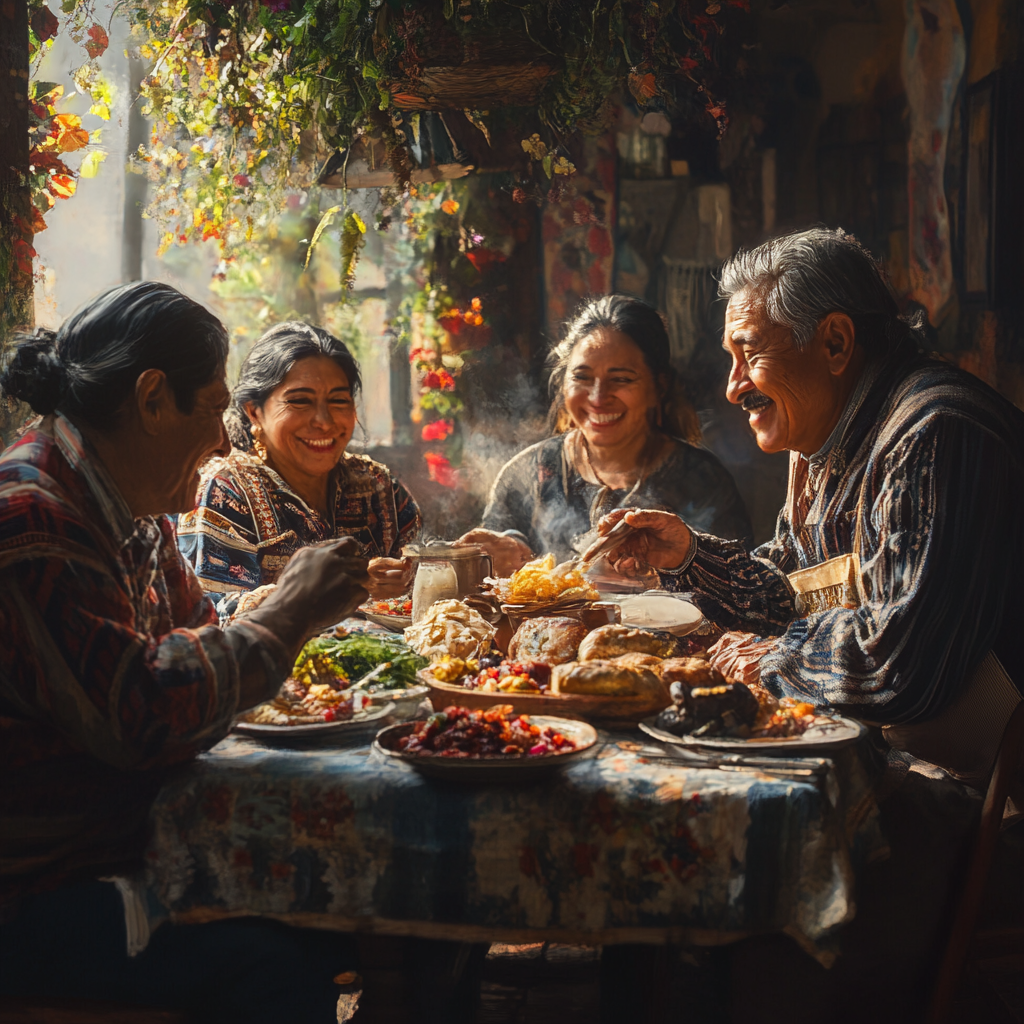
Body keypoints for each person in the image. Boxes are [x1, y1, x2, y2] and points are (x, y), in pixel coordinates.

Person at [585, 227, 1024, 1020]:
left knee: (737, 863)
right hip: (900, 761)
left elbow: (902, 666)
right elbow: (787, 591)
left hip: (989, 801)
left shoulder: (935, 432)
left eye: (748, 354)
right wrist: (688, 556)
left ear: (835, 340)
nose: (731, 387)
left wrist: (770, 660)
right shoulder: (825, 446)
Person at [0, 282, 369, 1022]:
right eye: (213, 408)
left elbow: (200, 640)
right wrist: (292, 607)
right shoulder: (30, 521)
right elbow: (142, 711)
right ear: (151, 398)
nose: (227, 440)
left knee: (357, 914)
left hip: (132, 852)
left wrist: (279, 632)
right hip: (38, 895)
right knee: (278, 964)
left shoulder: (135, 508)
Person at [458, 294, 751, 575]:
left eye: (621, 379)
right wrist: (508, 557)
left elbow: (742, 591)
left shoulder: (704, 484)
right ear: (562, 383)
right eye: (582, 378)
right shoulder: (526, 476)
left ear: (658, 387)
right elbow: (491, 587)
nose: (598, 398)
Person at [177, 321, 421, 603]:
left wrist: (456, 560)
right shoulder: (226, 491)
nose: (324, 421)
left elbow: (426, 577)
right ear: (254, 412)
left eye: (338, 401)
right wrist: (344, 587)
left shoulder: (378, 487)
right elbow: (216, 618)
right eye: (300, 401)